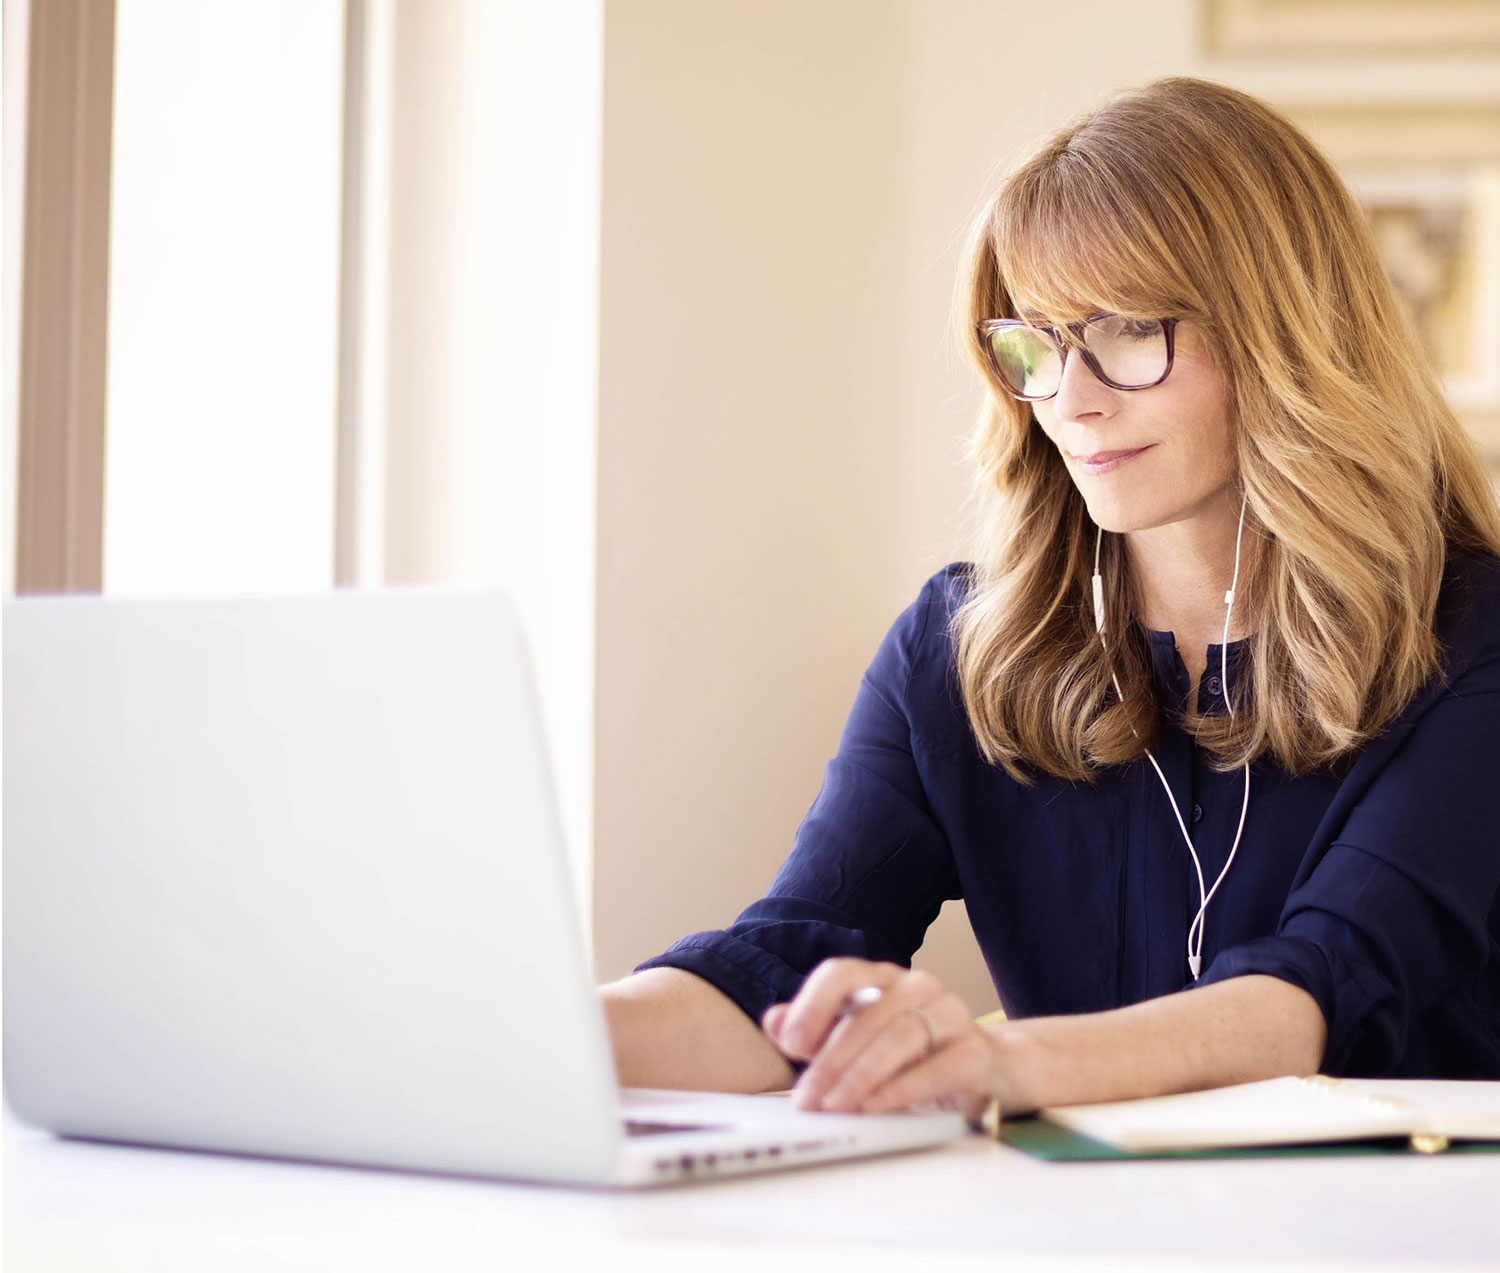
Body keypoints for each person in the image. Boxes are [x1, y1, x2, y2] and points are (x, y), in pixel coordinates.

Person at [600, 76, 1500, 1126]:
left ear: (1281, 333)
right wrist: (531, 1034)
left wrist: (992, 1062)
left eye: (1125, 329)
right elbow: (786, 965)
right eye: (1036, 340)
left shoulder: (1469, 641)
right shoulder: (957, 650)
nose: (1070, 398)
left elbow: (1314, 995)